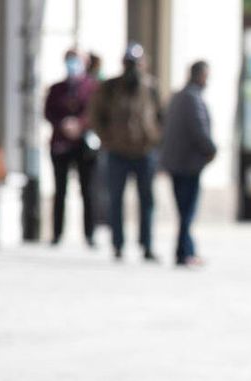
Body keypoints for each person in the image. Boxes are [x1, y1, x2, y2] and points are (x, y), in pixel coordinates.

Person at [89, 43, 163, 262]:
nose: (133, 68)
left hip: (144, 152)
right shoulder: (110, 87)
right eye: (129, 63)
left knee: (147, 201)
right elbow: (96, 116)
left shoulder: (150, 87)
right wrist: (107, 138)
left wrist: (154, 137)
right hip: (117, 152)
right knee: (115, 199)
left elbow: (161, 116)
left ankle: (147, 245)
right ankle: (118, 244)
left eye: (136, 63)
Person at [161, 60, 216, 266]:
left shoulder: (178, 96)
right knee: (187, 211)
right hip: (188, 164)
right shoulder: (192, 99)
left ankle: (186, 250)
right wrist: (211, 150)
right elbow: (199, 130)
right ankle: (184, 253)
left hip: (176, 162)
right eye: (206, 76)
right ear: (199, 75)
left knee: (183, 210)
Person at [44, 49, 99, 247]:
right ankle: (57, 233)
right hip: (61, 143)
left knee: (88, 190)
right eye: (70, 60)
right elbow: (48, 112)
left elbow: (96, 112)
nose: (73, 64)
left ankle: (89, 234)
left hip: (84, 145)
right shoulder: (57, 88)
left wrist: (80, 125)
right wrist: (63, 124)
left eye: (77, 60)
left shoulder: (93, 87)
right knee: (60, 191)